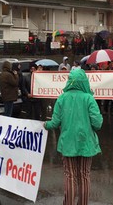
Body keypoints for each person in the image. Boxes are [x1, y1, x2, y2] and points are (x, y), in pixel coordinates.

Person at [44, 69, 103, 205]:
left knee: (70, 175)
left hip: (68, 143)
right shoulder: (89, 98)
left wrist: (44, 125)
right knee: (84, 175)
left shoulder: (62, 98)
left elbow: (55, 123)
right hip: (86, 143)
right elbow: (98, 123)